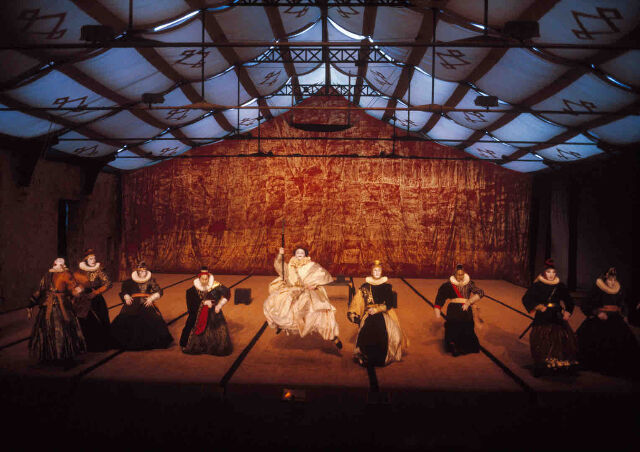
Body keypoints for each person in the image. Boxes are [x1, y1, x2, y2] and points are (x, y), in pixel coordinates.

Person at [263, 246, 342, 349]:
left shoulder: (312, 265)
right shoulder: (290, 266)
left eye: (302, 252)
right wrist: (280, 255)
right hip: (293, 292)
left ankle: (332, 336)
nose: (299, 254)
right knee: (278, 306)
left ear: (305, 254)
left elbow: (320, 277)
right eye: (297, 252)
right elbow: (280, 268)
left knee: (319, 313)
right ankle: (280, 325)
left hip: (308, 293)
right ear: (294, 254)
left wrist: (314, 285)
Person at [576, 267, 640, 377]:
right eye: (610, 280)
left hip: (615, 319)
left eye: (614, 280)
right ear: (605, 279)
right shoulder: (598, 288)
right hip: (600, 319)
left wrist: (622, 312)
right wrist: (597, 313)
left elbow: (623, 304)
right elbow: (585, 304)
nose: (612, 282)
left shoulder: (618, 289)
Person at [522, 259, 578, 376]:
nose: (551, 275)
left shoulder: (560, 286)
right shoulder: (537, 285)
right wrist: (537, 306)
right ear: (544, 273)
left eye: (553, 272)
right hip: (543, 315)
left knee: (561, 337)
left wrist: (568, 312)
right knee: (541, 338)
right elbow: (526, 299)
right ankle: (544, 363)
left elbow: (569, 301)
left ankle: (560, 362)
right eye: (548, 272)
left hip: (557, 315)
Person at [27, 257, 86, 366]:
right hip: (61, 308)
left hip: (46, 309)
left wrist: (31, 304)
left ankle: (48, 357)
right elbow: (74, 290)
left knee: (46, 331)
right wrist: (80, 289)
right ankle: (65, 358)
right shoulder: (66, 274)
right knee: (64, 331)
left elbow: (38, 292)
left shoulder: (47, 275)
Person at [347, 260, 407, 367]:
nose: (377, 272)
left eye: (379, 270)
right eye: (375, 270)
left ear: (381, 272)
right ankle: (365, 354)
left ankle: (380, 357)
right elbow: (358, 300)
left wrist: (377, 310)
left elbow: (389, 303)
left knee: (383, 329)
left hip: (383, 312)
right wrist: (353, 312)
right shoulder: (365, 286)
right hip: (368, 312)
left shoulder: (387, 286)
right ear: (371, 272)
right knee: (368, 326)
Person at [110, 261, 172, 350]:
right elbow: (124, 291)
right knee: (124, 318)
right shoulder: (129, 281)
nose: (143, 273)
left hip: (146, 303)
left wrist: (152, 298)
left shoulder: (151, 280)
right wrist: (126, 296)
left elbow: (159, 291)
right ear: (137, 272)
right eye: (141, 271)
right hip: (132, 303)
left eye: (145, 271)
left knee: (155, 319)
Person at [180, 266, 232, 355]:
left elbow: (227, 293)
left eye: (206, 279)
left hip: (214, 314)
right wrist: (203, 302)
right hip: (199, 314)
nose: (204, 281)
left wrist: (219, 305)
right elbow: (191, 307)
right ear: (199, 278)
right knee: (191, 323)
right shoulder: (192, 291)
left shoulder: (215, 285)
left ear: (209, 277)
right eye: (202, 279)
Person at [434, 264, 484, 356]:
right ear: (455, 274)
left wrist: (469, 302)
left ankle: (465, 347)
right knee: (453, 326)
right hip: (453, 309)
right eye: (458, 274)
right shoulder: (448, 285)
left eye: (462, 274)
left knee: (467, 326)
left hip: (466, 309)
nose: (460, 276)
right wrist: (438, 310)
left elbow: (480, 292)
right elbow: (440, 297)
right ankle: (453, 346)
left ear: (464, 274)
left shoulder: (469, 284)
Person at [73, 248, 112, 351]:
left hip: (96, 299)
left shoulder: (99, 270)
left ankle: (98, 345)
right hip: (82, 299)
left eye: (94, 258)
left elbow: (108, 283)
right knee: (82, 320)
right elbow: (74, 284)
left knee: (99, 319)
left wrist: (96, 292)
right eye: (91, 259)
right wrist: (76, 291)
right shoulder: (80, 271)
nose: (93, 260)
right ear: (86, 260)